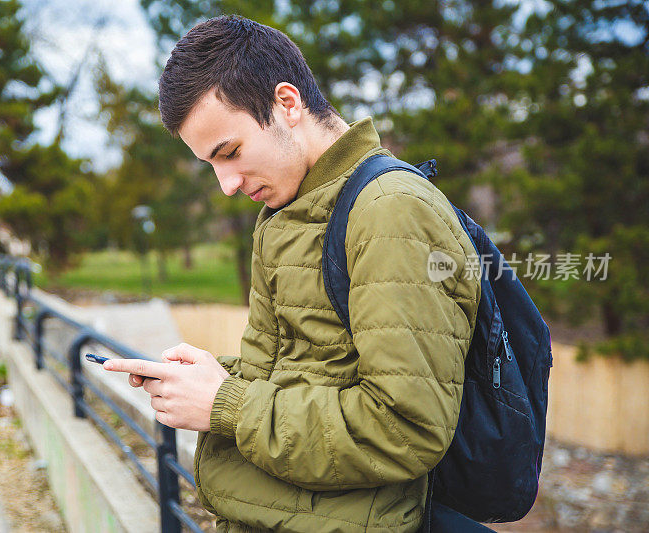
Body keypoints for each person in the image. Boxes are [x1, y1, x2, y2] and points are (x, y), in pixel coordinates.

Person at [103, 15, 481, 532]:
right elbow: (303, 370)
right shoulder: (284, 215)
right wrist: (211, 378)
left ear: (288, 103)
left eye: (230, 153)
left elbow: (405, 428)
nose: (226, 185)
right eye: (209, 165)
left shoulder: (392, 212)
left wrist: (226, 403)